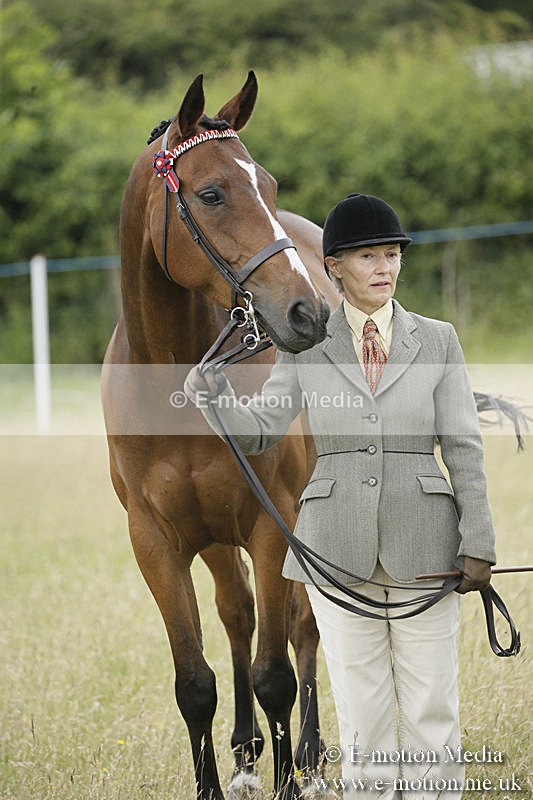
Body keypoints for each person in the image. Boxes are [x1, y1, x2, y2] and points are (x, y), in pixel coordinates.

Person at [184, 193, 496, 798]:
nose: (384, 268)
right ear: (334, 267)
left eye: (392, 255)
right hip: (336, 551)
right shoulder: (306, 348)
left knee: (434, 709)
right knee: (363, 716)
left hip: (427, 544)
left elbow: (463, 449)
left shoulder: (439, 341)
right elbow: (262, 429)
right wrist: (214, 397)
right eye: (367, 257)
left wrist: (477, 542)